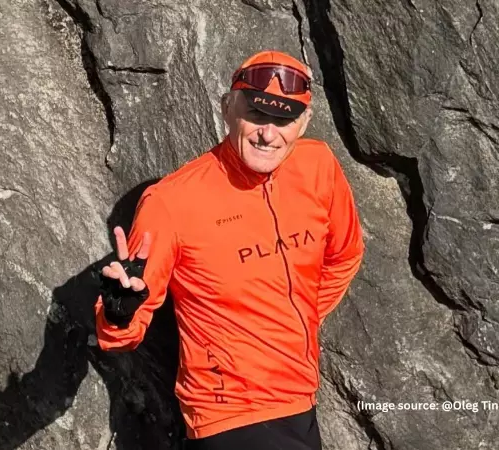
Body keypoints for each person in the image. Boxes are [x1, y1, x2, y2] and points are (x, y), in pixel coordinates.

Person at [94, 50, 365, 450]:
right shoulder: (171, 202)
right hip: (227, 415)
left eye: (284, 119)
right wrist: (119, 312)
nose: (268, 134)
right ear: (227, 108)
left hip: (300, 399)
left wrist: (290, 325)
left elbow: (345, 254)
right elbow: (120, 336)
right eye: (255, 113)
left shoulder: (318, 166)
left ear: (304, 122)